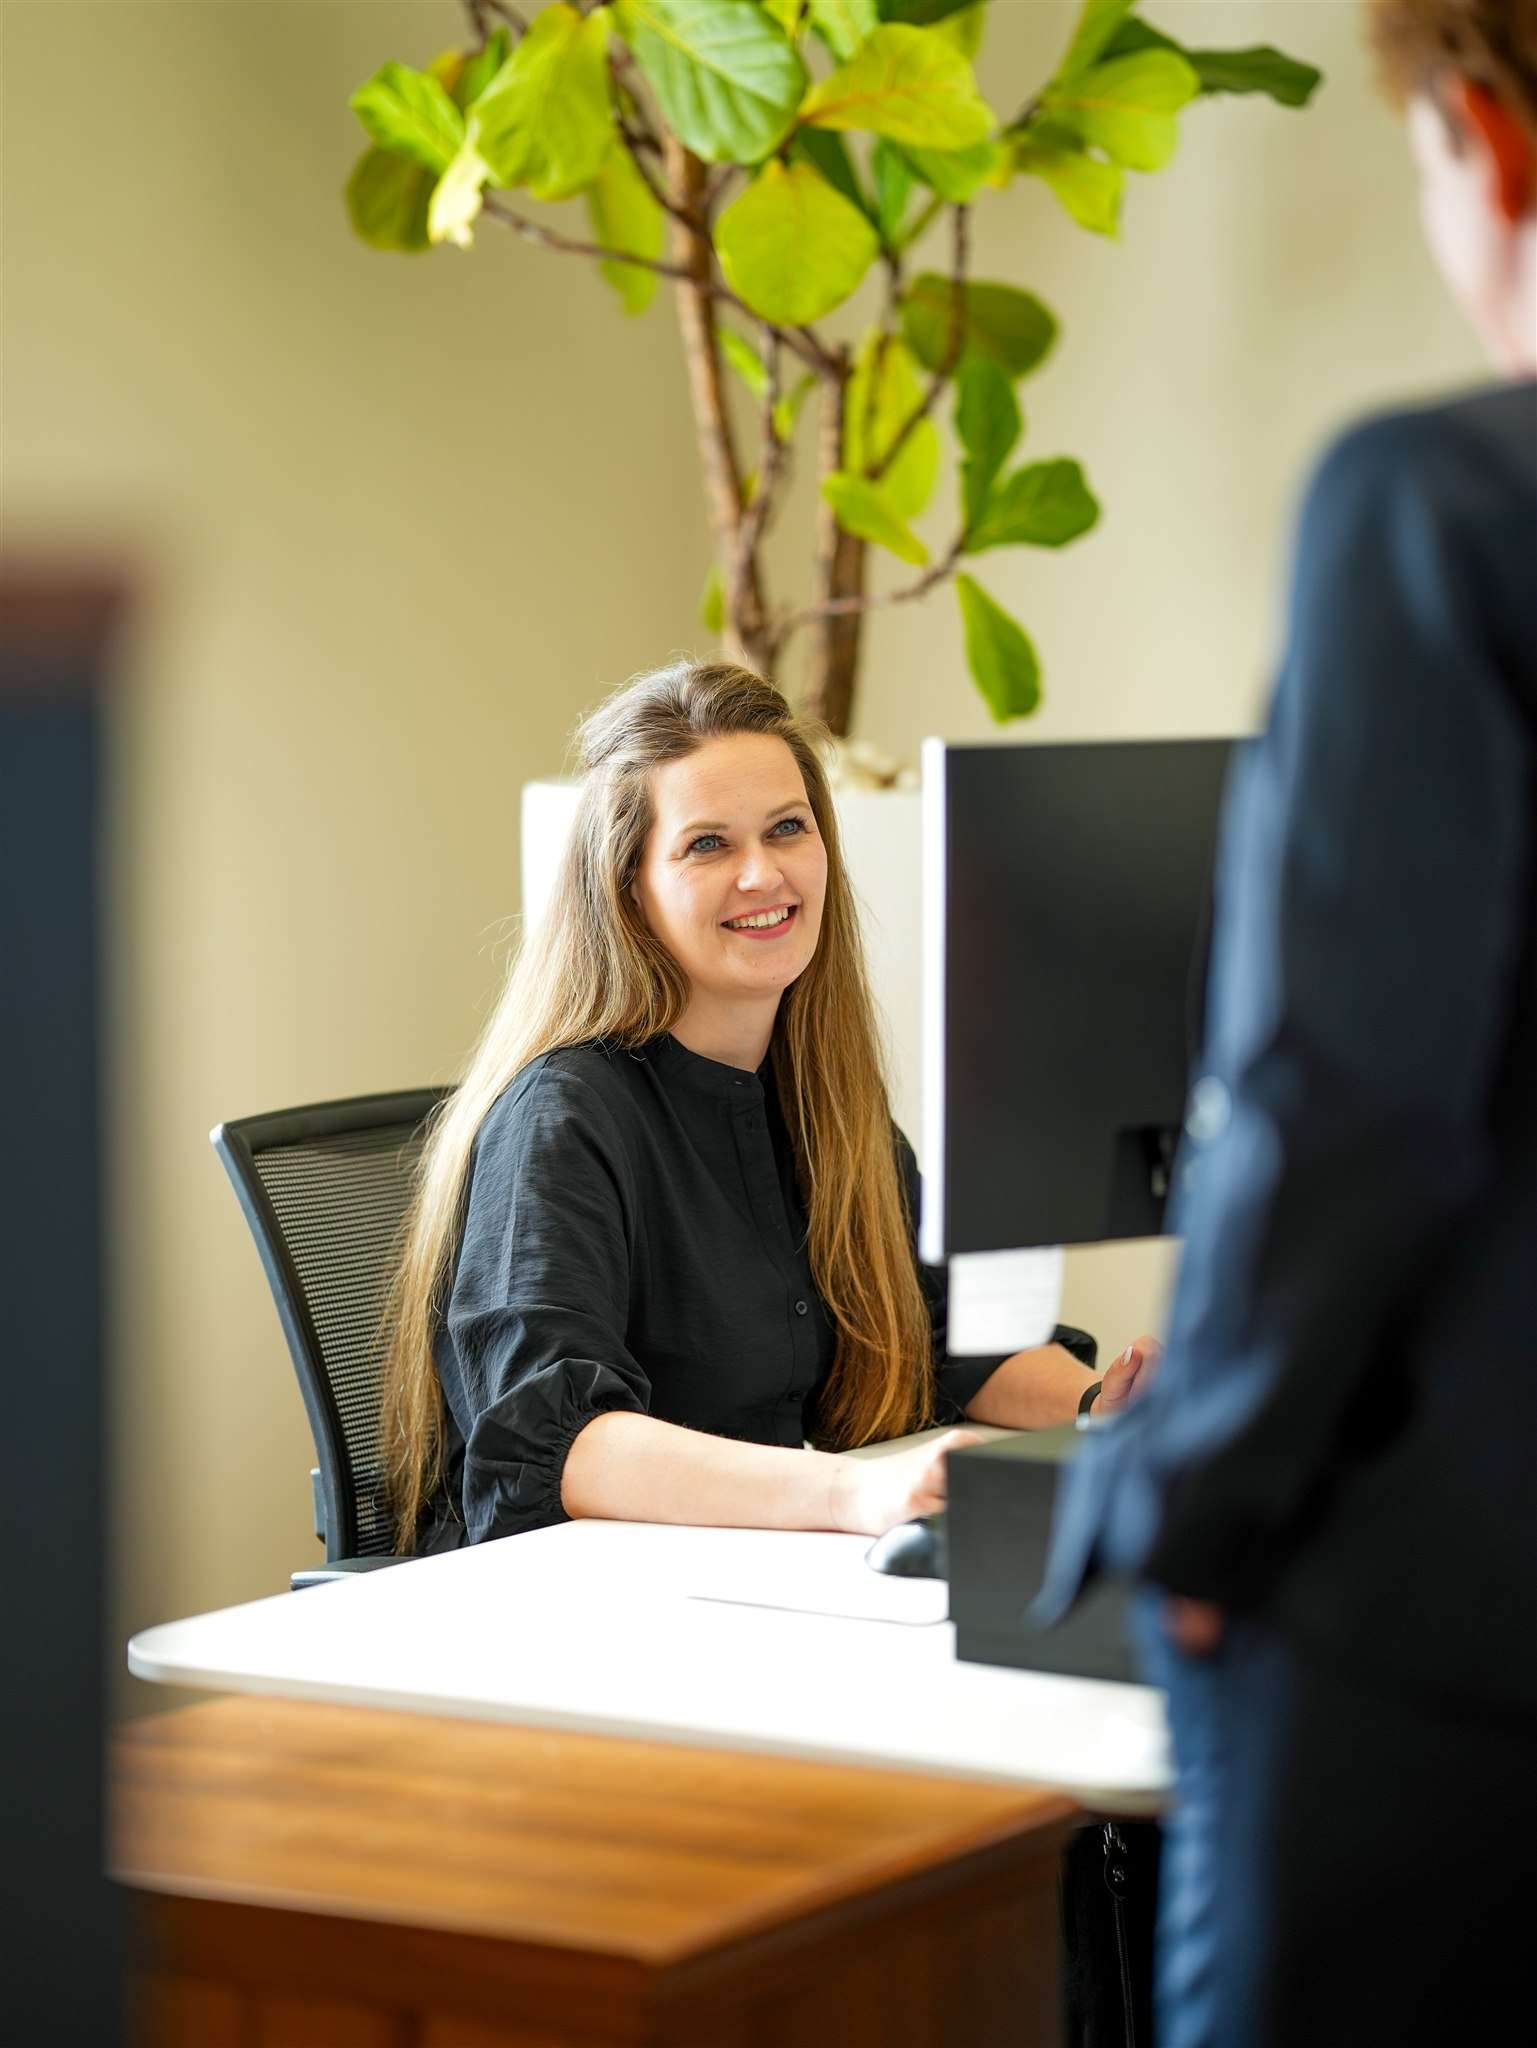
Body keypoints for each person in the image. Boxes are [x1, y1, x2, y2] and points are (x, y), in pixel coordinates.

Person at [1040, 3, 1537, 2042]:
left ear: (1484, 138)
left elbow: (1345, 1092)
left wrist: (1179, 1498)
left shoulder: (1436, 509)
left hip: (1438, 1646)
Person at [383, 660, 1157, 1552]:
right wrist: (852, 1491)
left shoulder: (824, 1102)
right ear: (629, 888)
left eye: (786, 829)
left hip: (752, 1579)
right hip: (577, 1612)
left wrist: (1104, 1405)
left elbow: (942, 1341)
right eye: (707, 844)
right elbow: (559, 1444)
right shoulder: (563, 1118)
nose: (762, 874)